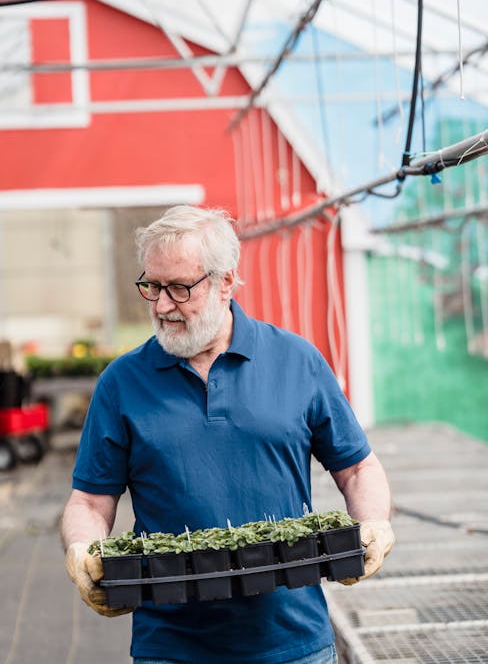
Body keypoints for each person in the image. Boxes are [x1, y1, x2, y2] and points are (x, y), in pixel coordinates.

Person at [61, 205, 395, 664]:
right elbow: (90, 500)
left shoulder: (297, 361)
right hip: (171, 646)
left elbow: (357, 468)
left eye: (179, 288)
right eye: (151, 286)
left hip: (293, 640)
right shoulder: (122, 382)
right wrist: (82, 550)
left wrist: (374, 521)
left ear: (225, 282)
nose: (161, 305)